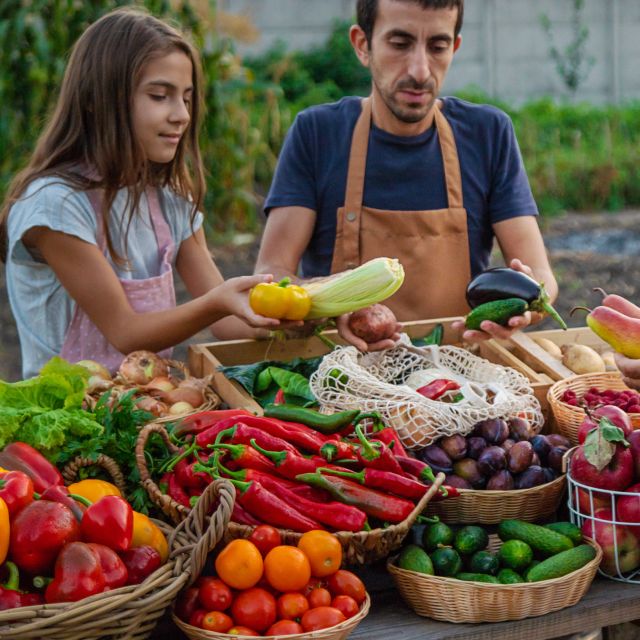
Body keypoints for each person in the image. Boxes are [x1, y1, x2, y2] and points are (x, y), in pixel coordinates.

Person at [0, 7, 289, 379]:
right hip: (66, 422)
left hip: (146, 404)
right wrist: (218, 301)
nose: (182, 115)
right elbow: (126, 331)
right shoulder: (55, 206)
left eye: (186, 97)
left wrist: (298, 312)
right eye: (159, 96)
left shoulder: (170, 198)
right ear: (96, 99)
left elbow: (230, 324)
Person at [255, 0, 559, 351]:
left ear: (455, 47)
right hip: (339, 380)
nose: (419, 69)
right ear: (362, 45)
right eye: (400, 44)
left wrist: (526, 306)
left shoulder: (489, 133)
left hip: (461, 383)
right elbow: (273, 274)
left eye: (437, 46)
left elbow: (541, 275)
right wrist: (324, 305)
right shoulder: (317, 134)